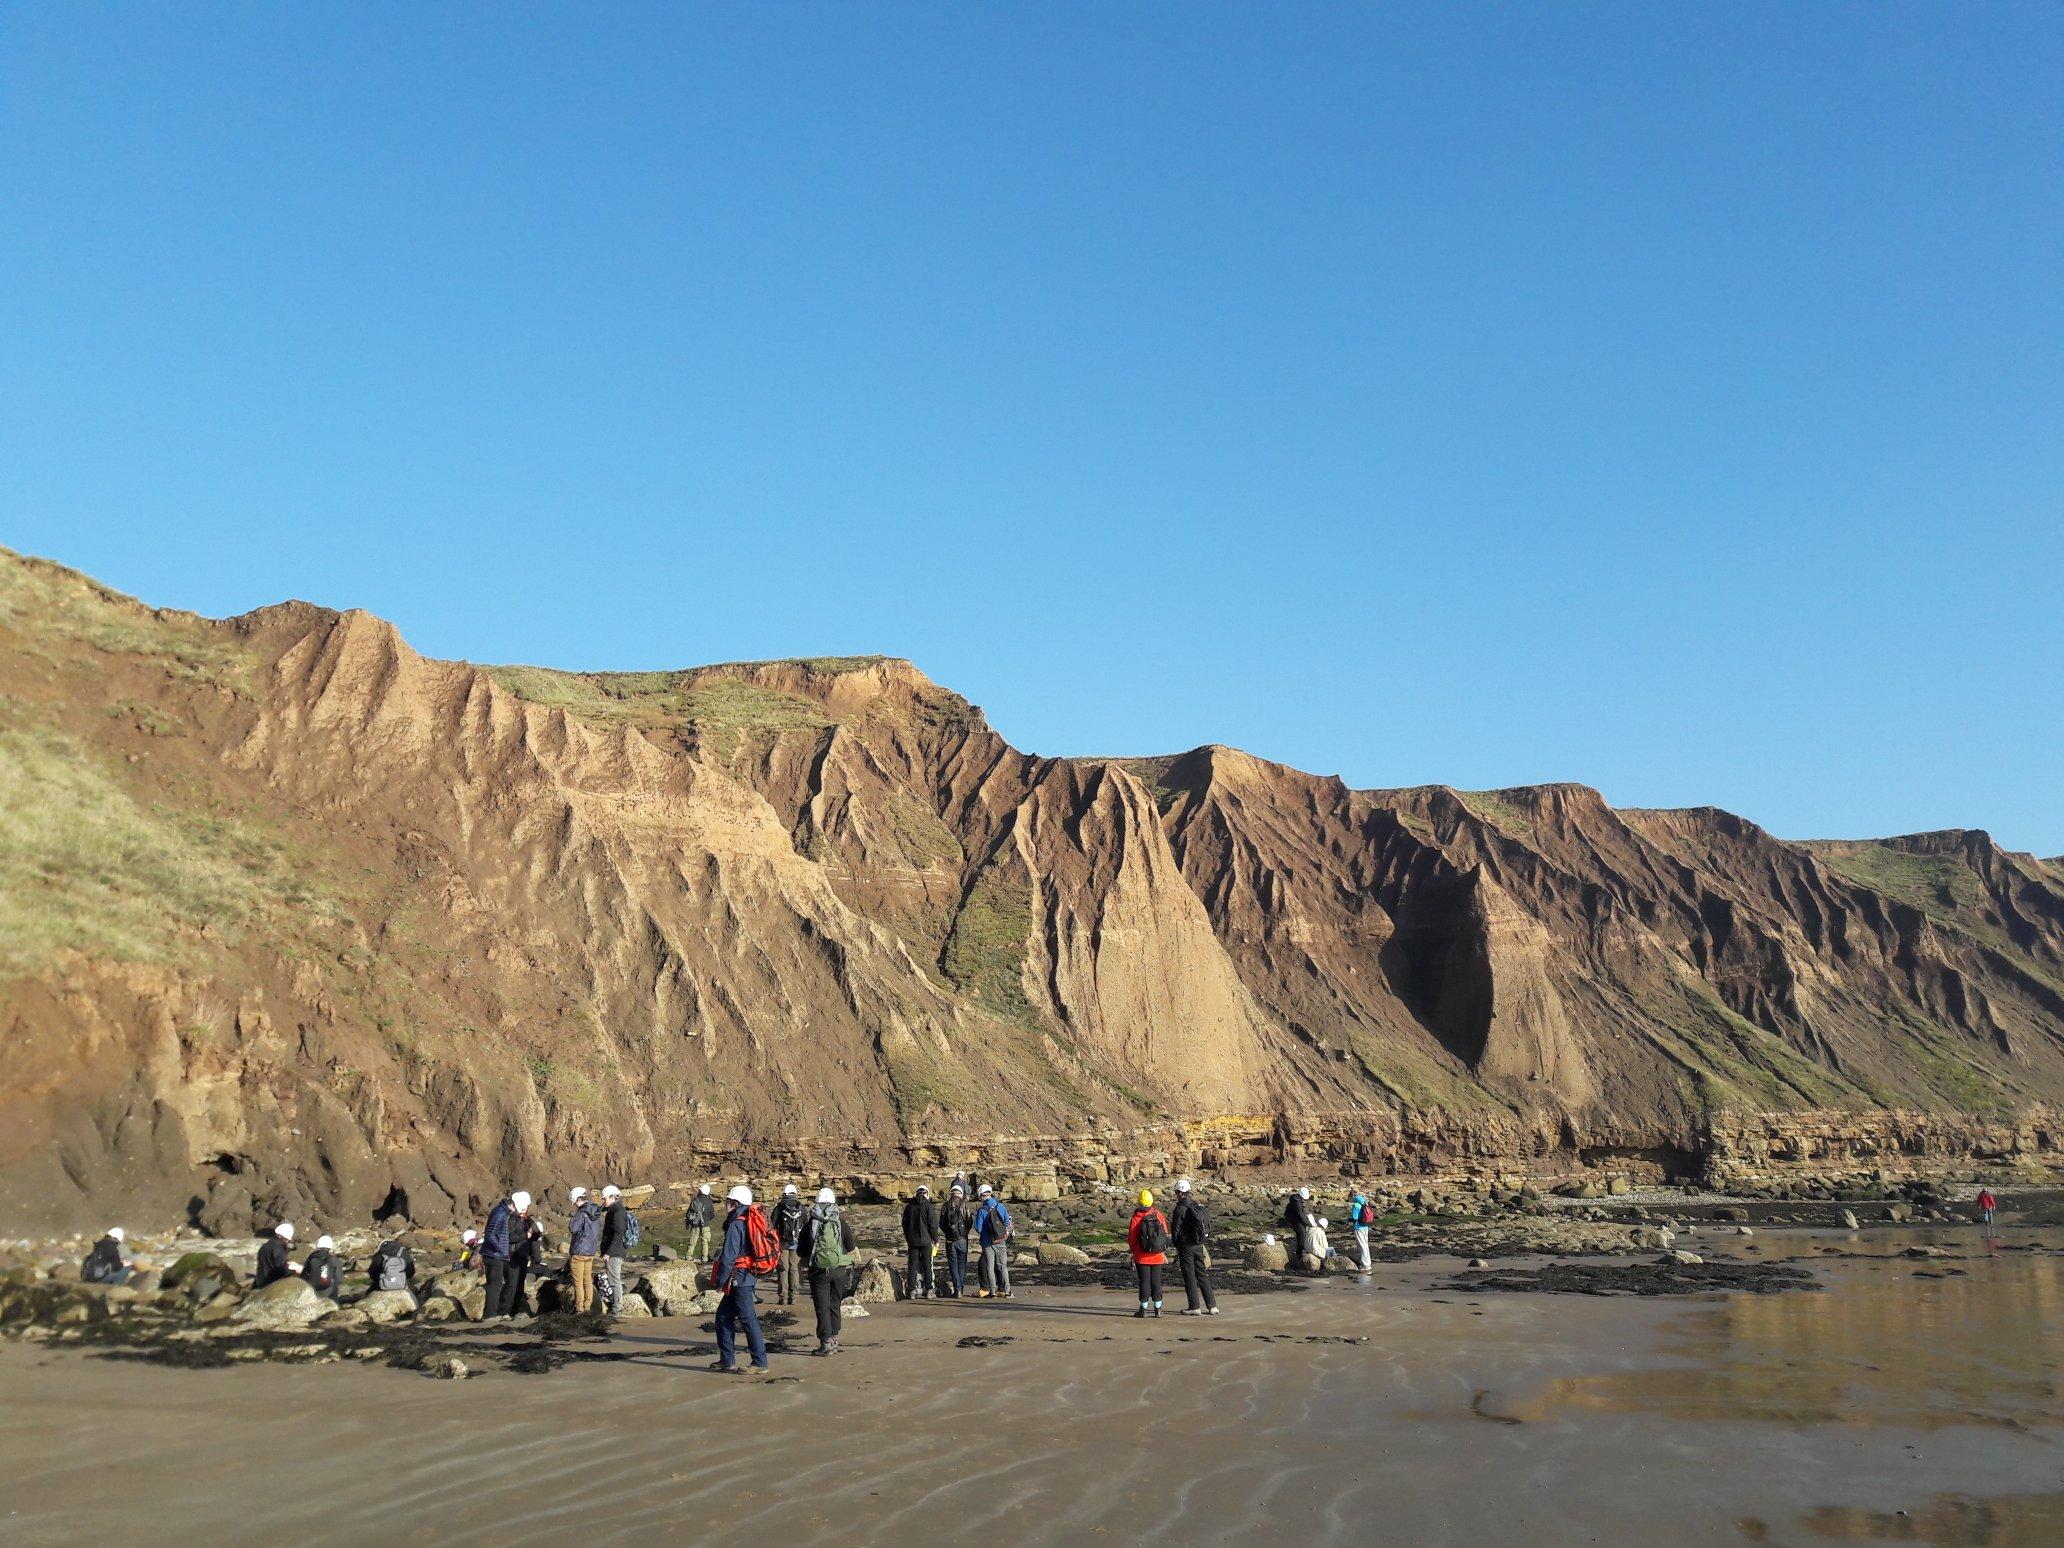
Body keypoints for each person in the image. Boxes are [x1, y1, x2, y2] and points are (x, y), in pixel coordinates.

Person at [711, 1184, 772, 1374]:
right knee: (723, 1316)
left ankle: (759, 1362)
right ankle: (727, 1360)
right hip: (748, 1275)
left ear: (734, 1203)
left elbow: (728, 1257)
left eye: (727, 1201)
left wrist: (719, 1281)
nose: (725, 1205)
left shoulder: (736, 1223)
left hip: (739, 1278)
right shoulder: (749, 1220)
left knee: (747, 1319)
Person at [800, 1186, 857, 1355]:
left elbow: (801, 1251)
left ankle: (825, 1343)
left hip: (818, 1271)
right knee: (834, 1304)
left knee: (822, 1307)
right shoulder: (841, 1222)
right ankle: (834, 1338)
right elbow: (851, 1246)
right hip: (839, 1269)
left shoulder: (811, 1224)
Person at [1169, 1179, 1219, 1316]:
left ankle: (1194, 1307)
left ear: (1179, 1193)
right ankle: (1212, 1306)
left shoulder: (1180, 1208)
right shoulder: (1195, 1205)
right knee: (1202, 1274)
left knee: (1189, 1275)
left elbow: (1175, 1229)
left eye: (1176, 1192)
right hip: (1199, 1244)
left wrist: (1176, 1245)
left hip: (1186, 1246)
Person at [481, 1190, 531, 1317]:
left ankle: (496, 1313)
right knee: (498, 1286)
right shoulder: (501, 1214)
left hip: (500, 1254)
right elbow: (491, 1234)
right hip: (498, 1254)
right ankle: (493, 1314)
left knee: (500, 1285)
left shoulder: (503, 1213)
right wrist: (501, 1249)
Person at [1128, 1189, 1171, 1318]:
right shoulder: (1158, 1214)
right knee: (1156, 1282)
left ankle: (1143, 1309)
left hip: (1141, 1256)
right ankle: (1158, 1309)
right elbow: (1165, 1233)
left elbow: (1131, 1238)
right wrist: (1162, 1252)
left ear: (1139, 1202)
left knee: (1144, 1282)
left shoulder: (1136, 1217)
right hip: (1157, 1255)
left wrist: (1134, 1252)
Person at [973, 1183, 1013, 1298]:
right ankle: (1007, 1290)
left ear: (981, 1196)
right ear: (991, 1193)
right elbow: (1006, 1222)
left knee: (989, 1267)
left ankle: (993, 1291)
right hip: (1000, 1240)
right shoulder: (1000, 1206)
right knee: (1002, 1266)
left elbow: (978, 1229)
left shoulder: (982, 1210)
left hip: (987, 1242)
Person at [567, 1186, 603, 1314]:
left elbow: (573, 1229)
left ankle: (579, 1308)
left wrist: (573, 1218)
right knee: (588, 1280)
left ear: (577, 1200)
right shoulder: (596, 1212)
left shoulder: (581, 1213)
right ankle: (588, 1306)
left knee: (578, 1281)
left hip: (579, 1251)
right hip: (591, 1251)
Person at [901, 1184, 939, 1300]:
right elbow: (933, 1225)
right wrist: (935, 1239)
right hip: (926, 1240)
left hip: (913, 1241)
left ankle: (911, 1291)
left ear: (916, 1193)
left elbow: (904, 1224)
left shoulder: (909, 1207)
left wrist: (908, 1238)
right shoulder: (928, 1206)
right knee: (927, 1265)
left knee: (912, 1266)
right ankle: (929, 1290)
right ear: (926, 1194)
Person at [772, 1184, 807, 1308]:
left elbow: (772, 1225)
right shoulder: (801, 1207)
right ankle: (794, 1297)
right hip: (796, 1242)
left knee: (783, 1269)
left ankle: (784, 1297)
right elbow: (805, 1223)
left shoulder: (779, 1208)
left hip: (782, 1242)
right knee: (794, 1268)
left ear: (784, 1193)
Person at [598, 1184, 630, 1316]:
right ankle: (616, 1308)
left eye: (604, 1198)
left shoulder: (618, 1212)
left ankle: (617, 1310)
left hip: (614, 1253)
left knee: (614, 1281)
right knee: (613, 1280)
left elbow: (618, 1234)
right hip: (614, 1252)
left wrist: (608, 1253)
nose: (603, 1201)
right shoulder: (615, 1210)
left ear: (612, 1197)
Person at [940, 1184, 972, 1298]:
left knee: (953, 1265)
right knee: (962, 1265)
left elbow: (941, 1224)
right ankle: (961, 1289)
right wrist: (964, 1233)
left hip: (950, 1240)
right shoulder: (965, 1205)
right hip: (962, 1239)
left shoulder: (945, 1205)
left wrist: (948, 1234)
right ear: (960, 1194)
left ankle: (957, 1289)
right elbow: (969, 1221)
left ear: (951, 1193)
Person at [1281, 1187, 1314, 1272]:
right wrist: (1311, 1224)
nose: (1305, 1200)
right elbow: (1301, 1217)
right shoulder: (1297, 1203)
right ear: (1301, 1196)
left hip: (1298, 1221)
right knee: (1301, 1239)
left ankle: (1300, 1257)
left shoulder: (1297, 1200)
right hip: (1296, 1222)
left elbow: (1304, 1214)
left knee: (1302, 1238)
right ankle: (1299, 1261)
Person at [255, 1222, 295, 1289]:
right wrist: (292, 1270)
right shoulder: (278, 1249)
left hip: (261, 1282)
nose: (287, 1241)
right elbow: (280, 1271)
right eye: (286, 1239)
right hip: (270, 1284)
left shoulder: (265, 1246)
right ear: (281, 1237)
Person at [301, 1235, 342, 1300]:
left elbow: (303, 1275)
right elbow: (339, 1279)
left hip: (312, 1290)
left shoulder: (311, 1257)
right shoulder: (334, 1260)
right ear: (330, 1247)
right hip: (327, 1291)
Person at [684, 1183, 716, 1264]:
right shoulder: (709, 1202)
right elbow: (712, 1214)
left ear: (701, 1191)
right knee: (705, 1242)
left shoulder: (696, 1200)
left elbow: (689, 1213)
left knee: (693, 1240)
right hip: (706, 1224)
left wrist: (689, 1222)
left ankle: (688, 1256)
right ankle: (704, 1258)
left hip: (695, 1224)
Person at [1346, 1184, 1373, 1271]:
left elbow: (1354, 1217)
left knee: (1362, 1246)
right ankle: (1366, 1262)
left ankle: (1365, 1265)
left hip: (1359, 1226)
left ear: (1352, 1194)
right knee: (1365, 1245)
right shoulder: (1363, 1201)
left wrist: (1349, 1219)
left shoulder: (1356, 1204)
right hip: (1365, 1226)